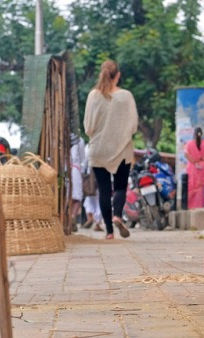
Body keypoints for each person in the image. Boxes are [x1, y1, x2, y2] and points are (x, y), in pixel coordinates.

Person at [84, 59, 138, 239]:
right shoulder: (126, 96)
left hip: (98, 150)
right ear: (118, 75)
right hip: (122, 149)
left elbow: (88, 127)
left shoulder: (93, 95)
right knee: (120, 187)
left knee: (104, 190)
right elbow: (134, 125)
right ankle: (117, 215)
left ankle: (109, 232)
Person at [184, 127, 204, 209]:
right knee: (200, 186)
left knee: (191, 185)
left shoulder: (189, 144)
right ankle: (198, 205)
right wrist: (202, 159)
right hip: (202, 167)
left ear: (194, 134)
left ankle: (190, 205)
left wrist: (192, 160)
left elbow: (185, 153)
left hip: (192, 167)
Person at [69, 132, 86, 232]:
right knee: (77, 197)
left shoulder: (59, 138)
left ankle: (67, 217)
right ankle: (73, 216)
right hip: (75, 169)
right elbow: (83, 158)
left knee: (66, 196)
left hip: (63, 169)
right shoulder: (80, 140)